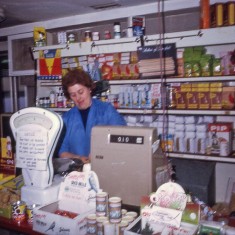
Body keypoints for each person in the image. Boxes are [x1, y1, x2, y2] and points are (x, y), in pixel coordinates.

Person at [58, 69, 126, 163]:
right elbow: (62, 151)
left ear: (89, 89)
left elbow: (122, 139)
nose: (78, 98)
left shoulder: (107, 111)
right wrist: (78, 158)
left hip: (105, 167)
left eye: (81, 92)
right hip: (77, 171)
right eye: (73, 95)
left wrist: (100, 152)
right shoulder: (66, 119)